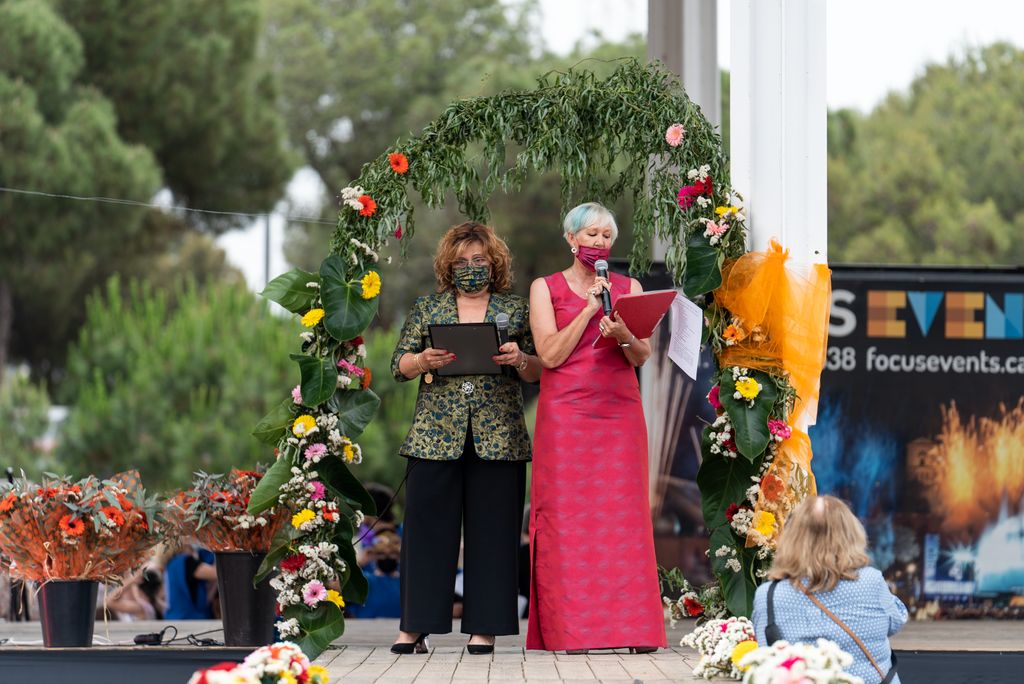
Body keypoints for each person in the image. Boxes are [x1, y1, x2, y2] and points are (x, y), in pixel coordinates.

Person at [390, 221, 541, 655]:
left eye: (478, 260)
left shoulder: (515, 308)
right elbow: (396, 366)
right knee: (424, 532)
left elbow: (539, 372)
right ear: (447, 266)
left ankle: (484, 627)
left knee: (494, 532)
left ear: (494, 263)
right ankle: (415, 627)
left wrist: (520, 358)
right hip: (434, 438)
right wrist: (421, 359)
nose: (471, 267)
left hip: (500, 436)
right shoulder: (427, 308)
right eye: (461, 262)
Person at [526, 202, 667, 653]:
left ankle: (634, 631)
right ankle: (573, 631)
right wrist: (587, 313)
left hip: (618, 414)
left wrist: (622, 331)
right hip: (566, 417)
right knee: (568, 521)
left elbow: (642, 356)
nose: (599, 243)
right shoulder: (544, 288)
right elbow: (547, 355)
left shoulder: (629, 287)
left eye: (607, 236)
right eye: (590, 235)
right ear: (571, 239)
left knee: (623, 519)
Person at [752, 495, 908, 684]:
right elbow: (896, 621)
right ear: (851, 535)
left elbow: (765, 652)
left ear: (792, 537)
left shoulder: (769, 595)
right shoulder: (872, 581)